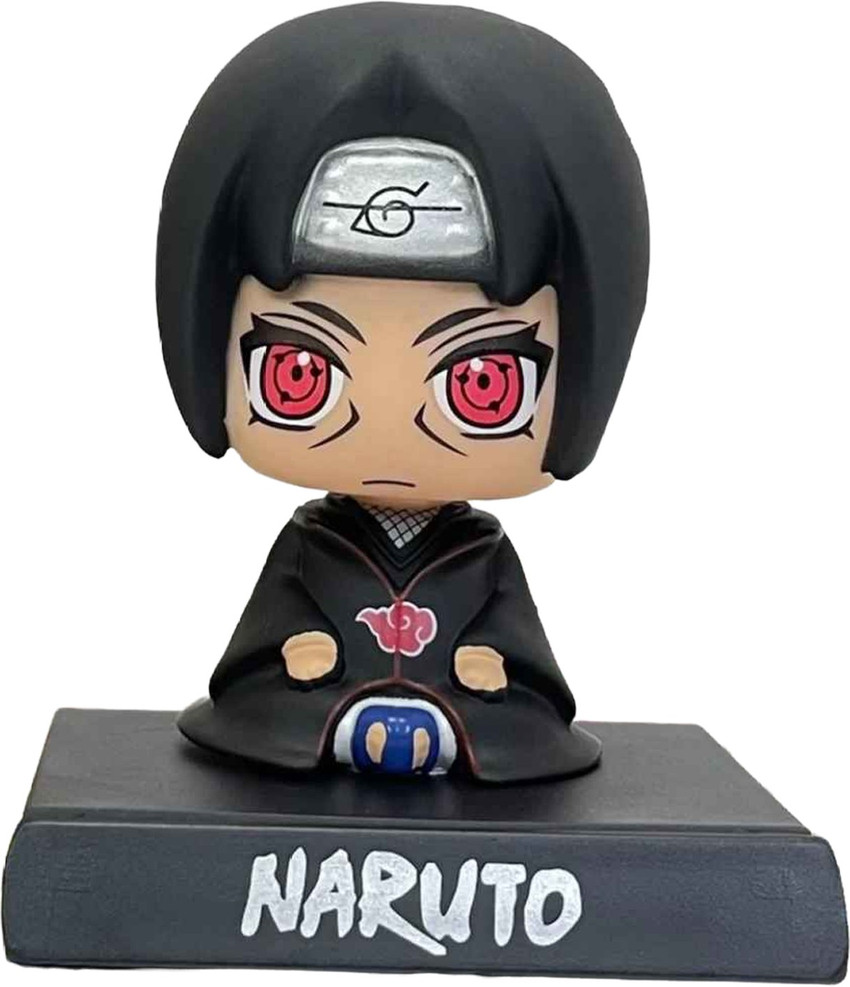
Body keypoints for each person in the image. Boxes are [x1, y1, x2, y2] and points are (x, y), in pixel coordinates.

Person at [156, 2, 649, 781]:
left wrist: (491, 663)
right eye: (300, 372)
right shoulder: (311, 548)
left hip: (462, 717)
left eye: (482, 382)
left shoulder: (480, 558)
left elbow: (521, 656)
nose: (389, 426)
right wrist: (294, 652)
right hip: (317, 709)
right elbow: (260, 647)